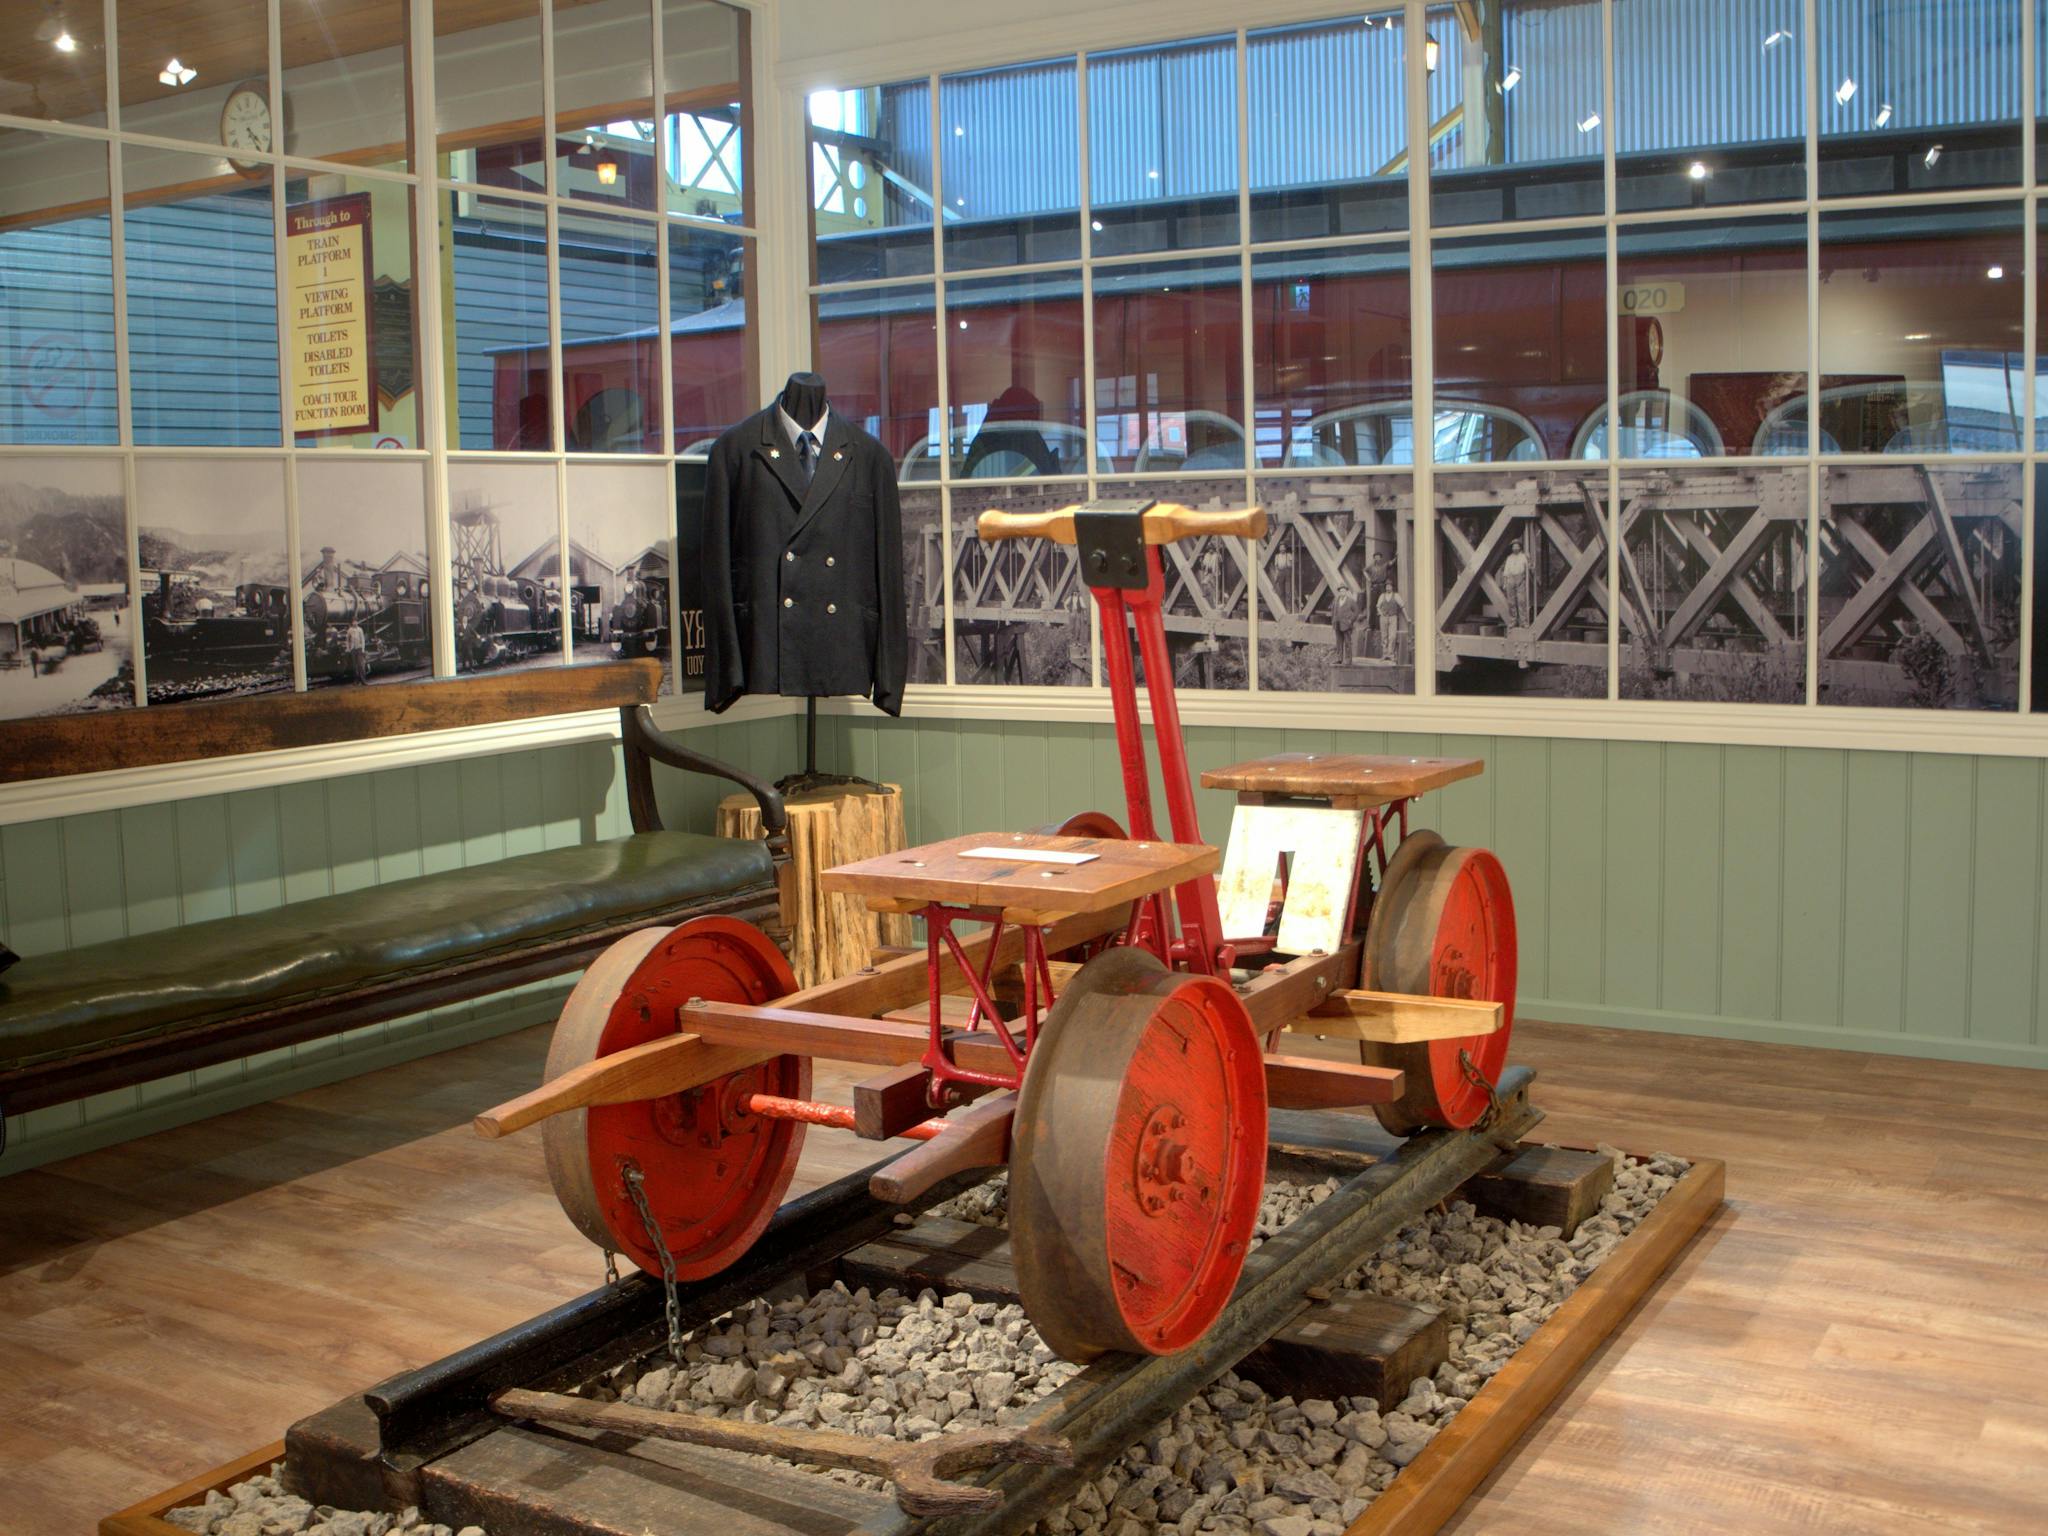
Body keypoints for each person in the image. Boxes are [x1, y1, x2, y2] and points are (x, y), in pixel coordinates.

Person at [1499, 538, 1532, 629]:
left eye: (1517, 546)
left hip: (1520, 578)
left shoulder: (1524, 557)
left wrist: (1529, 560)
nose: (1515, 548)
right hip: (1510, 579)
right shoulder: (1509, 558)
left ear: (1520, 547)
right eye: (1514, 546)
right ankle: (1513, 621)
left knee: (1521, 601)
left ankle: (1524, 622)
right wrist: (1505, 583)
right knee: (1511, 602)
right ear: (1512, 548)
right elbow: (1506, 571)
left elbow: (1530, 568)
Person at [1330, 580, 1361, 665]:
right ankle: (1339, 659)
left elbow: (1356, 611)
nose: (1342, 592)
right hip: (1337, 624)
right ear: (1339, 592)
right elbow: (1333, 611)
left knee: (1347, 642)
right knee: (1339, 642)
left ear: (1346, 591)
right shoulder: (1336, 600)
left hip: (1346, 625)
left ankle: (1348, 660)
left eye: (1343, 591)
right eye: (1340, 591)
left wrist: (1351, 620)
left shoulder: (1350, 601)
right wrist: (1333, 620)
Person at [1377, 585, 1407, 665]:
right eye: (1387, 586)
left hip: (1393, 617)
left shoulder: (1396, 595)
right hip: (1383, 618)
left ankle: (1390, 654)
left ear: (1392, 587)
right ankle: (1384, 654)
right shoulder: (1382, 596)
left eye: (1390, 586)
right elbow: (1378, 606)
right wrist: (1380, 613)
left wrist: (1407, 618)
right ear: (1385, 587)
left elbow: (1402, 606)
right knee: (1384, 636)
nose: (1388, 588)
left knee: (1392, 636)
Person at [345, 619, 369, 684]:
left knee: (361, 665)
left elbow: (363, 639)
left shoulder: (360, 629)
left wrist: (363, 649)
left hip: (359, 648)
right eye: (353, 622)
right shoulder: (349, 630)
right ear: (352, 623)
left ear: (357, 622)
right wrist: (348, 648)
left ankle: (363, 680)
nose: (355, 623)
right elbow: (347, 640)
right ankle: (356, 680)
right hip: (353, 649)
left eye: (356, 621)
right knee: (354, 666)